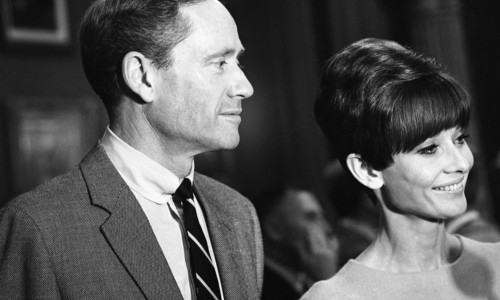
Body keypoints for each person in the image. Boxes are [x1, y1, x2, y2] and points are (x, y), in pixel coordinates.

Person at [0, 0, 263, 299]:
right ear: (141, 76)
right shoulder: (39, 229)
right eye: (220, 63)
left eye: (237, 62)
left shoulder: (238, 214)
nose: (245, 86)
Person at [301, 38, 500, 299]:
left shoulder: (495, 264)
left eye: (459, 139)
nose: (462, 163)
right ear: (367, 169)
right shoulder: (337, 297)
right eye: (429, 149)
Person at [255, 185, 339, 300]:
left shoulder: (301, 280)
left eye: (323, 218)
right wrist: (327, 280)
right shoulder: (258, 287)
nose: (327, 228)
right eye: (311, 218)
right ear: (274, 229)